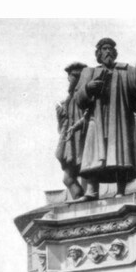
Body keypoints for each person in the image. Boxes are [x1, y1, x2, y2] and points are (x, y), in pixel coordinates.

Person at [74, 38, 136, 198]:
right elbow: (78, 100)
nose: (108, 51)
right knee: (94, 154)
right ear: (99, 53)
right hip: (97, 119)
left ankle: (121, 191)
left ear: (115, 53)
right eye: (104, 49)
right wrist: (88, 88)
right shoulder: (89, 72)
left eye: (110, 49)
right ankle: (92, 191)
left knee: (120, 155)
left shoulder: (125, 70)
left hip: (119, 120)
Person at [55, 61, 88, 201]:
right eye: (70, 76)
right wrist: (60, 116)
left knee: (85, 172)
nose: (71, 79)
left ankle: (85, 198)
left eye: (75, 76)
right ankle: (79, 198)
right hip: (70, 142)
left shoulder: (86, 96)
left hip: (83, 138)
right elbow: (61, 127)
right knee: (68, 178)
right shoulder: (67, 101)